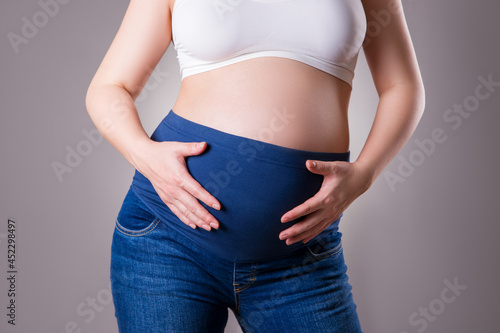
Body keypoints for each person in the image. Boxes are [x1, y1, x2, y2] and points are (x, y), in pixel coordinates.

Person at [85, 0, 425, 332]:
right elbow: (110, 87)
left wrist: (364, 174)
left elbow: (402, 86)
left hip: (300, 257)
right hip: (169, 242)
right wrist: (144, 154)